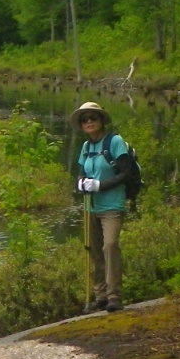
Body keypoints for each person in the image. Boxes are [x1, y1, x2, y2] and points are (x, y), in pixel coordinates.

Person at [71, 101, 135, 313]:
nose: (89, 121)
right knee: (95, 252)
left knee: (110, 246)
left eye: (93, 117)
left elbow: (126, 173)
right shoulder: (86, 147)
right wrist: (81, 182)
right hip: (91, 206)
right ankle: (100, 296)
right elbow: (81, 172)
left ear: (101, 120)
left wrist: (100, 185)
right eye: (85, 119)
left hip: (112, 206)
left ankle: (114, 296)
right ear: (81, 125)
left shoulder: (115, 141)